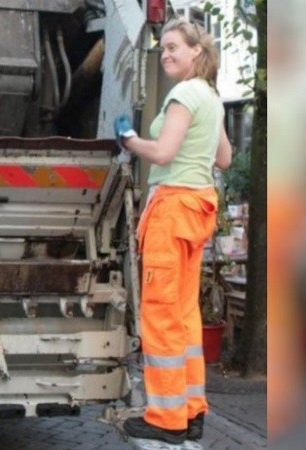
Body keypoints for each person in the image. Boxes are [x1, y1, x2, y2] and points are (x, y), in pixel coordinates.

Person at [114, 18, 232, 444]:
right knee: (184, 317)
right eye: (162, 48)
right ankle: (191, 411)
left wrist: (128, 139)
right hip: (197, 210)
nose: (165, 54)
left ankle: (164, 419)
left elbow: (163, 151)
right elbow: (224, 158)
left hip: (172, 208)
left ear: (196, 51)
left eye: (173, 47)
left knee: (161, 317)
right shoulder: (211, 97)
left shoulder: (183, 94)